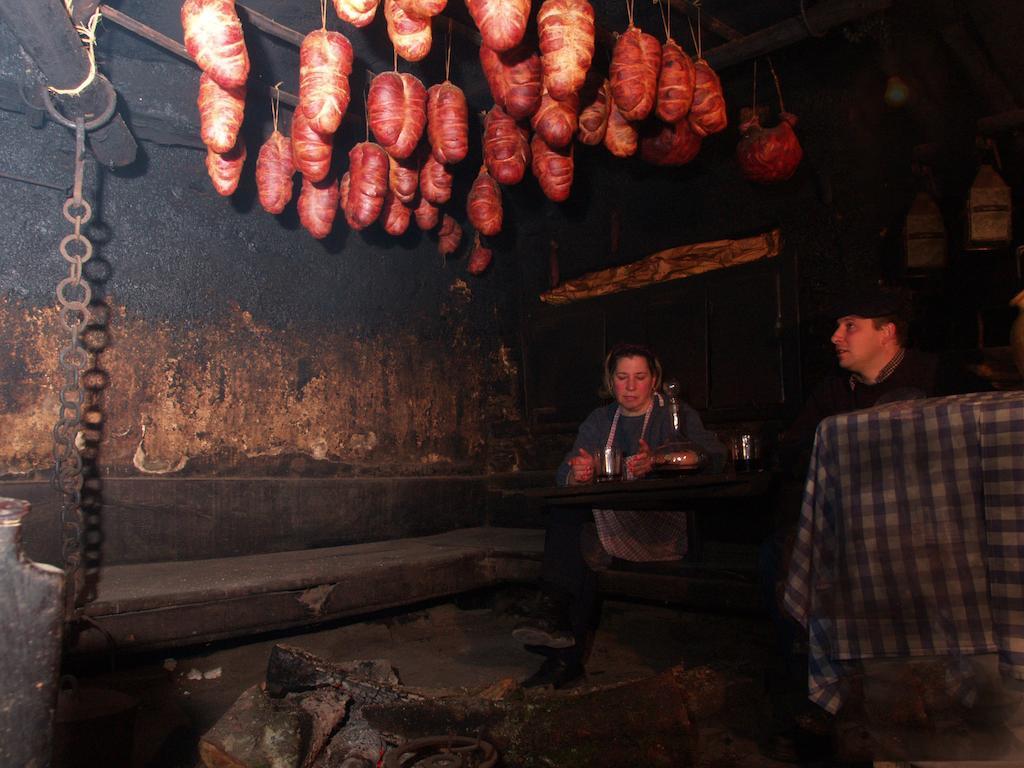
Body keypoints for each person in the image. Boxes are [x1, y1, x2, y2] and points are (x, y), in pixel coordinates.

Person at [763, 285, 969, 761]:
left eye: (849, 325)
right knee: (780, 556)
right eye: (838, 327)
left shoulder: (938, 375)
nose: (836, 336)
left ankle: (952, 700)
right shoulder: (833, 393)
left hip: (927, 529)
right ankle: (811, 698)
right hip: (845, 530)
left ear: (887, 331)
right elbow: (791, 454)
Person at [514, 343, 726, 689]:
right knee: (572, 523)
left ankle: (554, 619)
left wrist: (662, 460)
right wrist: (579, 472)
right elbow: (563, 472)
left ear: (653, 380)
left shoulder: (674, 414)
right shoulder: (601, 420)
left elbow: (714, 456)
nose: (630, 387)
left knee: (575, 539)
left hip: (662, 528)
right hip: (610, 526)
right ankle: (561, 651)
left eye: (639, 377)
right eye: (622, 377)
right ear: (610, 382)